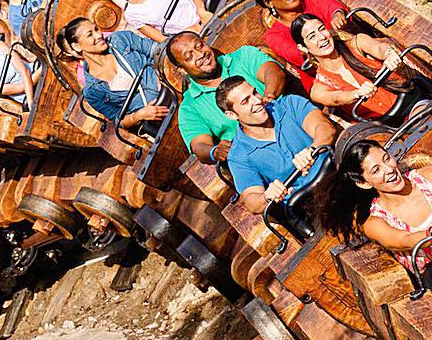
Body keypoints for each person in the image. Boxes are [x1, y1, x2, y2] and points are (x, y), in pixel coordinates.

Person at [317, 139, 432, 292]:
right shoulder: (374, 223)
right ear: (364, 183)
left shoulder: (431, 175)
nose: (389, 169)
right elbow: (405, 240)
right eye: (376, 170)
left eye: (386, 159)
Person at [254, 0, 393, 92]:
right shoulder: (274, 36)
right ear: (268, 2)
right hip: (331, 83)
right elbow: (297, 55)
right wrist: (331, 37)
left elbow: (333, 7)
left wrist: (338, 15)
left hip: (358, 57)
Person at [219, 77, 338, 217]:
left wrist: (312, 149)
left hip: (336, 171)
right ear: (232, 115)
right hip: (309, 205)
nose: (257, 101)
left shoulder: (289, 104)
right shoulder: (238, 156)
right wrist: (267, 196)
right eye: (246, 101)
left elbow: (325, 129)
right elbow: (252, 202)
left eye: (255, 93)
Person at [166, 31, 288, 163]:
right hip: (257, 157)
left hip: (285, 122)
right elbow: (199, 145)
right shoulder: (189, 108)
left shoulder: (244, 56)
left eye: (200, 46)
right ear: (182, 70)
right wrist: (214, 151)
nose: (200, 54)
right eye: (190, 57)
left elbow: (273, 71)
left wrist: (269, 97)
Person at [290, 13, 429, 122]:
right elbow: (336, 98)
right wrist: (356, 94)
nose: (321, 37)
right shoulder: (318, 89)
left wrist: (389, 54)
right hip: (385, 126)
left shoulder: (356, 43)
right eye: (312, 36)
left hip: (409, 102)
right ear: (303, 47)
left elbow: (378, 47)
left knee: (421, 120)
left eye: (322, 29)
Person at [59, 17, 172, 135]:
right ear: (77, 46)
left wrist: (162, 71)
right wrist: (139, 115)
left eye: (96, 29)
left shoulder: (120, 40)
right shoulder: (92, 91)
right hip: (158, 120)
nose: (99, 35)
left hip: (171, 88)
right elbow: (118, 122)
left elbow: (158, 50)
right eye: (90, 35)